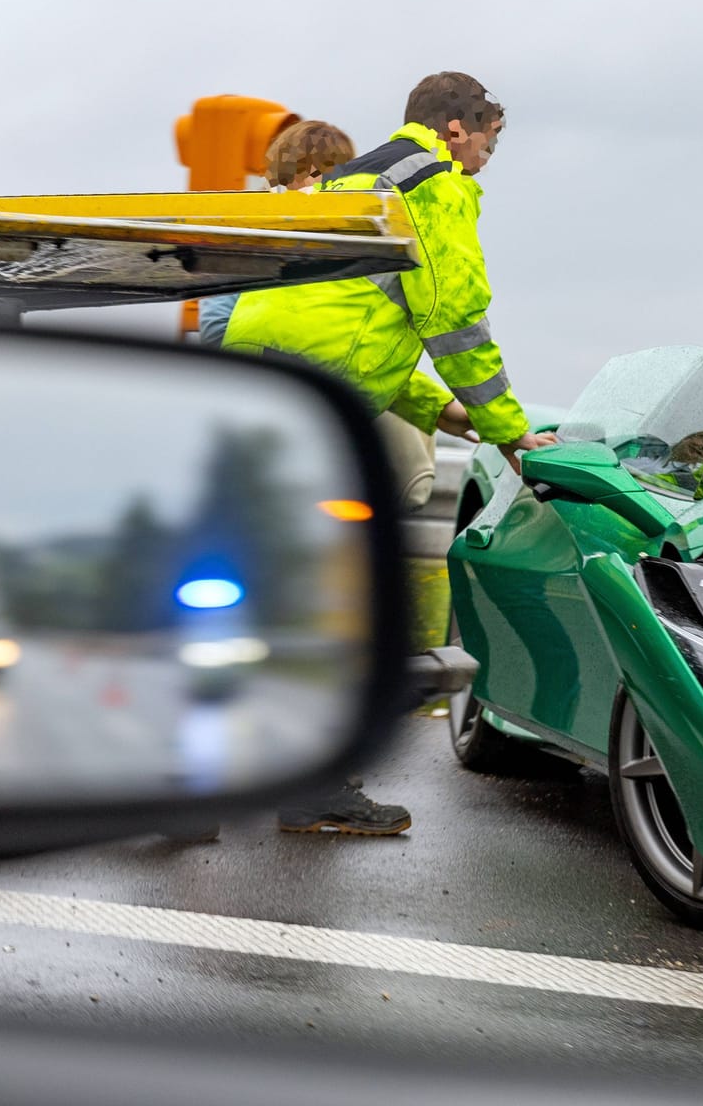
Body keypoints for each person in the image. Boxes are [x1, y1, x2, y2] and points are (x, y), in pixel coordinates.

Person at [225, 72, 556, 835]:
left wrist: (437, 409)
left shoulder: (351, 178)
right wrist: (508, 430)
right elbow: (456, 323)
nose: (486, 161)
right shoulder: (436, 186)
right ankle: (312, 792)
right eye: (489, 141)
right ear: (455, 130)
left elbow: (360, 324)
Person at [195, 120, 356, 347]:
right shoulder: (244, 233)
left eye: (333, 175)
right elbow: (216, 327)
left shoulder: (352, 239)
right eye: (315, 172)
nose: (324, 185)